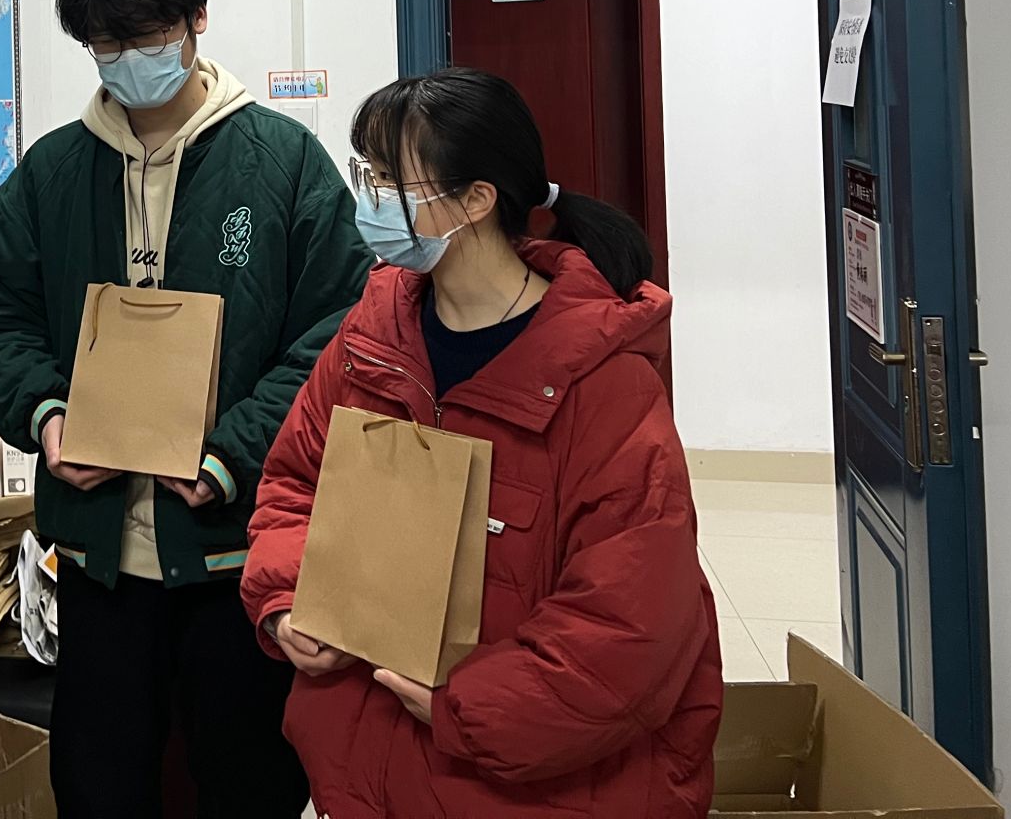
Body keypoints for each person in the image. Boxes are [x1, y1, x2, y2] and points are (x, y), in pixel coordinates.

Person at [0, 0, 374, 818]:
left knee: (247, 784)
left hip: (238, 548)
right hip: (98, 554)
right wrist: (48, 418)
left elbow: (337, 334)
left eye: (145, 37)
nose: (126, 61)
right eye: (104, 45)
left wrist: (233, 451)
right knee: (99, 788)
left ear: (196, 19)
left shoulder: (282, 164)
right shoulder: (52, 174)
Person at [242, 66, 723, 818]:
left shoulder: (603, 384)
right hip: (366, 768)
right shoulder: (373, 337)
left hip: (527, 781)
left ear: (475, 201)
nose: (371, 201)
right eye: (367, 175)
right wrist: (284, 599)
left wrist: (466, 705)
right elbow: (293, 486)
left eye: (391, 182)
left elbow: (630, 625)